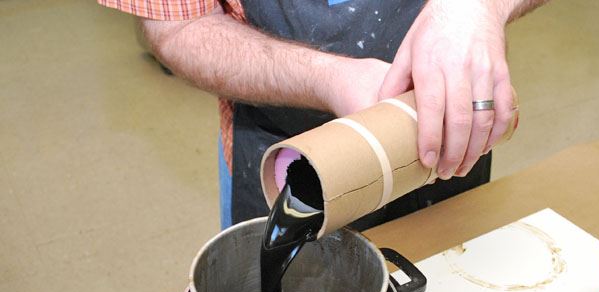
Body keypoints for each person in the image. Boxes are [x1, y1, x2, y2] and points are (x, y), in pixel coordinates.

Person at [99, 0, 547, 230]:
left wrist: (478, 7)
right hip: (287, 152)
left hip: (450, 131)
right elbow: (180, 27)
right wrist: (330, 78)